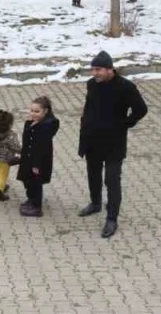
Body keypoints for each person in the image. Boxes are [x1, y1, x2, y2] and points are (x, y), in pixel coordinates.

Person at [77, 51, 148, 239]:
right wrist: (83, 136)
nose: (95, 73)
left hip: (113, 143)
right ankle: (95, 203)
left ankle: (111, 218)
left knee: (112, 179)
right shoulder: (92, 85)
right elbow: (88, 109)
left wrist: (124, 124)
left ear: (110, 69)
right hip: (92, 140)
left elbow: (141, 109)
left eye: (98, 69)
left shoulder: (125, 87)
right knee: (93, 174)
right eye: (93, 69)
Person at [17, 97, 60, 218]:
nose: (33, 114)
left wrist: (36, 164)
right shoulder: (31, 123)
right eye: (31, 111)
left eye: (37, 112)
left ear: (45, 111)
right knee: (28, 180)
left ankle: (37, 207)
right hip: (28, 158)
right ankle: (30, 199)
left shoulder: (46, 126)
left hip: (38, 160)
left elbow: (41, 147)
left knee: (36, 182)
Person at [0, 110, 20, 203]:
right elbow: (16, 147)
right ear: (9, 125)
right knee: (4, 175)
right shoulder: (10, 136)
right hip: (5, 159)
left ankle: (0, 186)